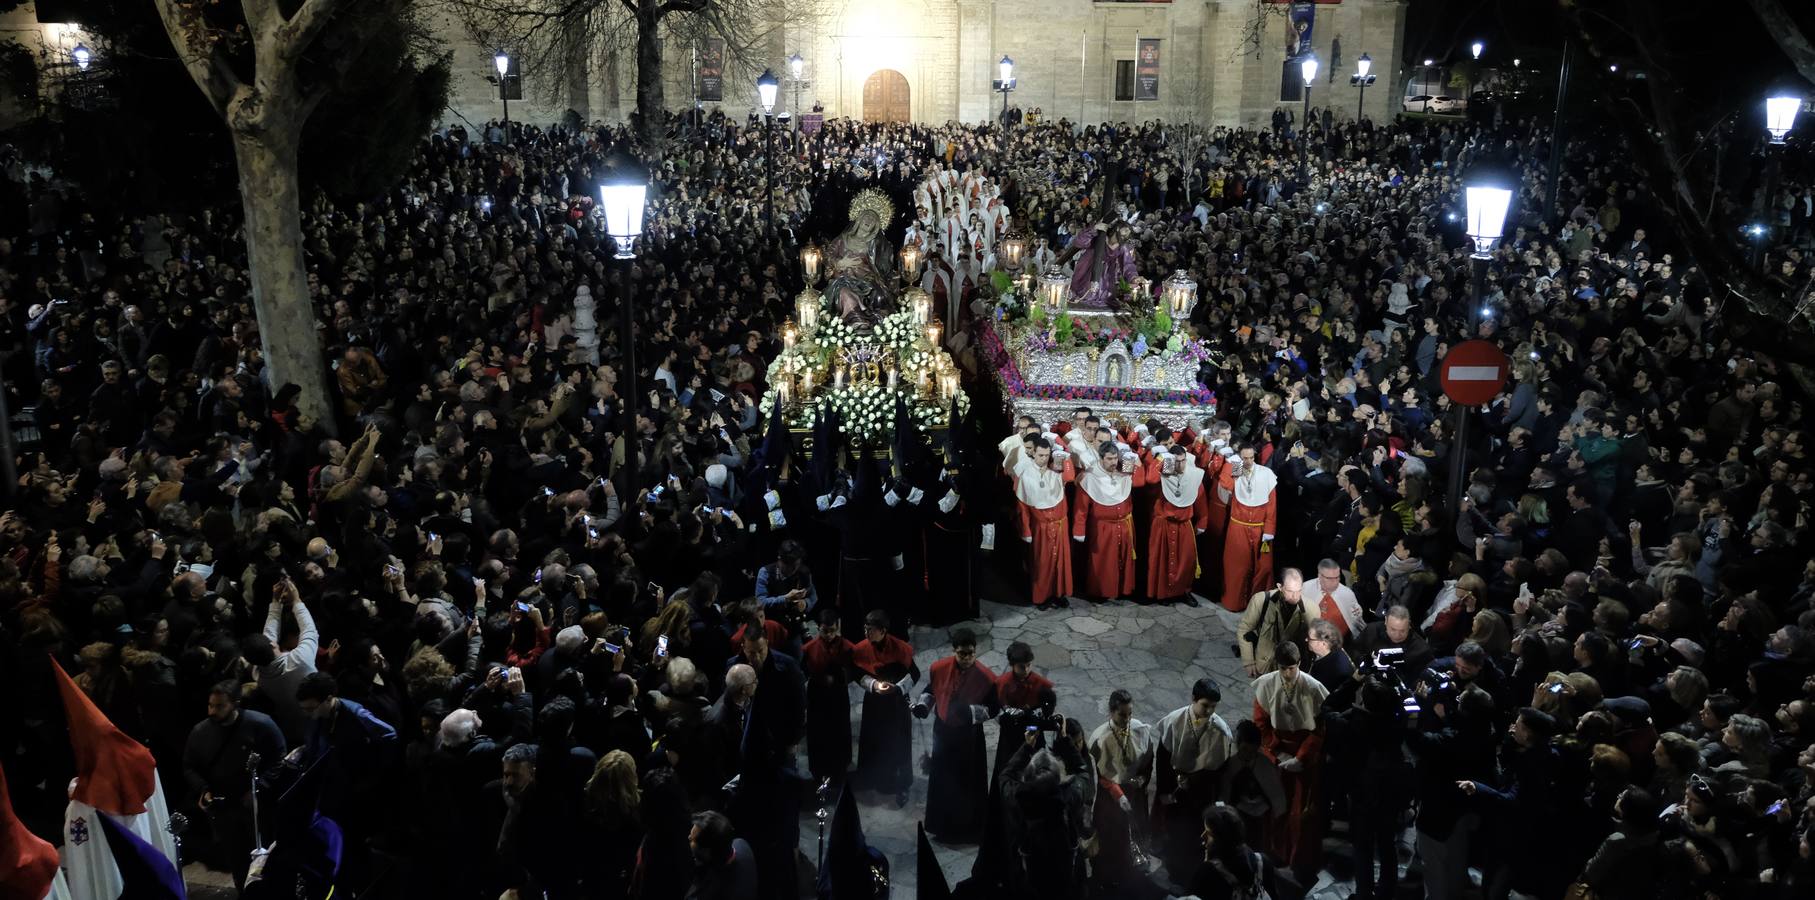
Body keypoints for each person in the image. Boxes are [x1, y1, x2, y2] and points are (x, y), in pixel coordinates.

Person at [182, 680, 285, 883]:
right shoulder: (200, 732)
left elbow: (279, 760)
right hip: (224, 809)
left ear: (235, 703)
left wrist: (259, 788)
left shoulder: (261, 725)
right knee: (236, 858)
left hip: (257, 808)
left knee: (265, 857)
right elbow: (189, 766)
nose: (212, 711)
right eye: (210, 705)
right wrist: (203, 790)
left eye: (220, 706)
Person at [1250, 641, 1328, 875]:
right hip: (1277, 754)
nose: (1287, 673)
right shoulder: (1266, 685)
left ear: (1299, 664)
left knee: (1301, 811)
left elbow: (1319, 729)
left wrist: (1301, 758)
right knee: (1276, 805)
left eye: (1291, 668)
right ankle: (1275, 851)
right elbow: (1261, 723)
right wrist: (1277, 751)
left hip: (1306, 757)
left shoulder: (1314, 688)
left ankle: (1298, 857)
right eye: (1283, 668)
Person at [915, 628, 999, 842]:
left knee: (966, 781)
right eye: (962, 653)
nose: (967, 658)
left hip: (968, 736)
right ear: (954, 651)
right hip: (942, 731)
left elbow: (995, 708)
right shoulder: (939, 668)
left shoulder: (986, 678)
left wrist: (970, 712)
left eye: (971, 653)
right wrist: (923, 706)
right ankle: (942, 826)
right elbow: (931, 689)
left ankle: (968, 829)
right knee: (943, 779)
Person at [1153, 677, 1234, 874]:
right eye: (1205, 705)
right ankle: (1172, 865)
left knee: (1195, 830)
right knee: (1173, 827)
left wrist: (1208, 791)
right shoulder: (1175, 720)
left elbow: (1220, 768)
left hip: (1201, 789)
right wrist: (1164, 789)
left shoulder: (1220, 730)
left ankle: (1192, 869)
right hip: (1174, 783)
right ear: (1193, 699)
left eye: (1213, 707)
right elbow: (1163, 757)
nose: (1209, 711)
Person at [1087, 689, 1155, 889]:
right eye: (1122, 715)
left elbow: (1148, 760)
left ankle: (1131, 870)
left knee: (1135, 831)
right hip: (1110, 797)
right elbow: (1097, 774)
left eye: (1130, 714)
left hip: (1134, 792)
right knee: (1112, 835)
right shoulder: (1100, 738)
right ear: (1111, 712)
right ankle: (1109, 874)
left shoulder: (1140, 730)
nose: (1127, 719)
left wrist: (1142, 778)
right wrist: (1116, 792)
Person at [851, 610, 919, 805]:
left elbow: (915, 674)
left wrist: (897, 689)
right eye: (865, 628)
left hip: (896, 703)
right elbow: (857, 672)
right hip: (874, 703)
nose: (866, 632)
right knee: (873, 739)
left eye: (870, 629)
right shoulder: (862, 648)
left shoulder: (901, 649)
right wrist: (873, 685)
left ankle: (901, 785)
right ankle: (870, 778)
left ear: (883, 631)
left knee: (899, 743)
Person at [1068, 431, 1142, 601]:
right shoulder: (1089, 477)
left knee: (1122, 559)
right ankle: (1100, 591)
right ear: (1101, 458)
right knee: (1102, 561)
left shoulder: (1123, 473)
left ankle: (1122, 590)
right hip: (1101, 527)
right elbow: (1081, 508)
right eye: (1109, 459)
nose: (1113, 462)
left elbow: (1140, 481)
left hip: (1124, 525)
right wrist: (1079, 531)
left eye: (1115, 458)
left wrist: (1134, 457)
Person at [1008, 434, 1075, 608]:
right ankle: (1042, 597)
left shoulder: (1056, 470)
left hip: (1060, 525)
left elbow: (1069, 477)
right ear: (1034, 454)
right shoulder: (1026, 475)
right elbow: (1022, 507)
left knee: (1060, 562)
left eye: (1047, 455)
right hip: (1040, 527)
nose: (1044, 459)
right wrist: (1026, 531)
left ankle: (1059, 594)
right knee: (1042, 563)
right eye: (1040, 455)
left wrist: (1066, 457)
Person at [1146, 444, 1210, 603]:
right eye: (1176, 461)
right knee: (1162, 560)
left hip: (1184, 525)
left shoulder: (1194, 475)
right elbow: (1149, 479)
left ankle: (1184, 591)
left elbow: (1200, 499)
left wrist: (1202, 521)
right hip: (1163, 524)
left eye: (1183, 461)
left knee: (1185, 561)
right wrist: (1162, 460)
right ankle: (1163, 593)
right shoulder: (1164, 473)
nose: (1180, 465)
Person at [1220, 445, 1278, 612]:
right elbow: (1227, 483)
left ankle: (1258, 604)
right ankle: (1235, 602)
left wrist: (1269, 529)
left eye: (1251, 458)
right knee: (1238, 567)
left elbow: (1272, 506)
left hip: (1260, 528)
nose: (1249, 461)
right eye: (1245, 458)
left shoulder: (1266, 474)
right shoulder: (1237, 471)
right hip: (1238, 527)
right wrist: (1232, 466)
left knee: (1263, 568)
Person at [799, 608, 854, 781]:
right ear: (817, 628)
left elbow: (853, 671)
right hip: (817, 696)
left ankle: (840, 767)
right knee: (818, 732)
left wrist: (842, 676)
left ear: (838, 627)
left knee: (839, 731)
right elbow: (802, 672)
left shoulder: (848, 647)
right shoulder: (808, 648)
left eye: (832, 631)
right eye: (824, 631)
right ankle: (818, 769)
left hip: (838, 696)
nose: (829, 635)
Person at [992, 641, 1058, 780]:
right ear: (1012, 665)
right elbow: (997, 710)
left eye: (1029, 665)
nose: (1026, 670)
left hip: (1033, 731)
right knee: (1008, 770)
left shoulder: (1041, 684)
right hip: (1011, 735)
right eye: (1022, 667)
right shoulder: (1002, 683)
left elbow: (1047, 710)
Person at [1187, 805, 1280, 900]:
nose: (1203, 836)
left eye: (1209, 833)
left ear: (1221, 839)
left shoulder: (1208, 872)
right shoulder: (1263, 862)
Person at [1237, 568, 1311, 676]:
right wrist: (1248, 662)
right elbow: (1244, 629)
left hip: (1290, 669)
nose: (1295, 596)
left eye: (1298, 591)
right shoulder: (1261, 600)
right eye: (1290, 591)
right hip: (1264, 666)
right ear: (1280, 586)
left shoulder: (1310, 609)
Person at [686, 810, 758, 900]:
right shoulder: (741, 844)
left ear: (706, 852)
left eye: (692, 839)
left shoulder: (712, 894)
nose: (688, 837)